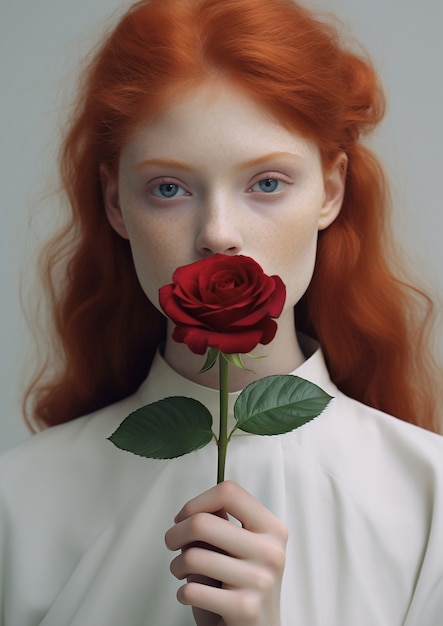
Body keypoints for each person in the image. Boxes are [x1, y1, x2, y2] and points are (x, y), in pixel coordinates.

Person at [0, 0, 442, 624]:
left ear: (331, 190)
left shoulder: (432, 504)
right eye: (169, 188)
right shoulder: (15, 505)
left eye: (267, 183)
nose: (218, 233)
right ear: (115, 203)